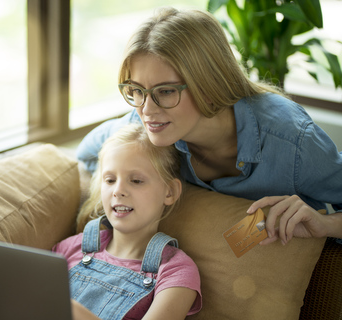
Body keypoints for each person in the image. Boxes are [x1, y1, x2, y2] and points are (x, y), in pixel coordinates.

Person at [76, 7, 342, 246]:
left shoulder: (292, 140)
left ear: (210, 86)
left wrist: (326, 224)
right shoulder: (144, 129)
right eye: (136, 90)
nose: (146, 110)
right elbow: (87, 154)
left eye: (166, 91)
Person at [53, 123, 202, 320]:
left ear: (170, 191)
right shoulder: (72, 247)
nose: (118, 190)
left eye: (136, 180)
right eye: (110, 180)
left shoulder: (176, 271)